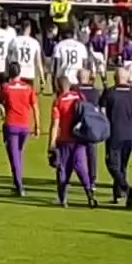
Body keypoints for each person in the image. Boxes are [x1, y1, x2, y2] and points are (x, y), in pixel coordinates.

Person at [100, 67, 132, 208]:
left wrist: (102, 132)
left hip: (115, 133)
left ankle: (126, 188)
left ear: (115, 78)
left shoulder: (109, 93)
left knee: (112, 164)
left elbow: (103, 115)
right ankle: (118, 194)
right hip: (131, 134)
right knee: (122, 164)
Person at [48, 76, 98, 208]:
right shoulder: (79, 96)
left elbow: (55, 124)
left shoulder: (58, 102)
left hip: (64, 140)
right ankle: (89, 193)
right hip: (80, 138)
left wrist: (51, 144)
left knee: (63, 170)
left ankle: (63, 198)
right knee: (81, 166)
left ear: (58, 87)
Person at [0, 62, 40, 196]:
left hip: (11, 125)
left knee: (14, 156)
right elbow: (35, 107)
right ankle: (17, 182)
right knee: (19, 153)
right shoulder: (28, 88)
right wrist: (37, 126)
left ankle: (19, 185)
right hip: (24, 126)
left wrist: (3, 112)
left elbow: (0, 101)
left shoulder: (6, 88)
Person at [8, 20, 43, 90]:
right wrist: (42, 78)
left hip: (17, 73)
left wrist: (9, 72)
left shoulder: (14, 40)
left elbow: (9, 58)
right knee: (27, 96)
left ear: (21, 28)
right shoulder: (35, 42)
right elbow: (38, 62)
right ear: (29, 29)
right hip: (29, 73)